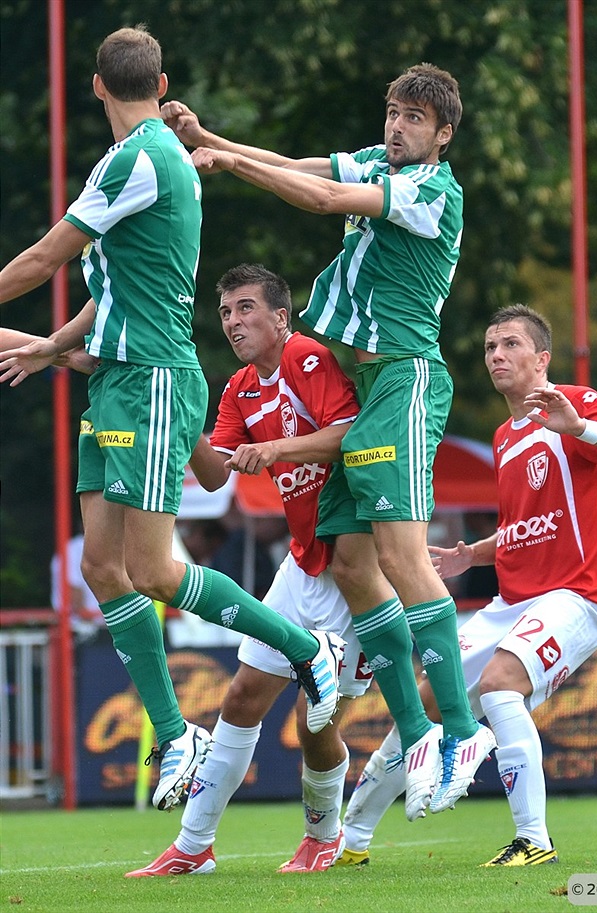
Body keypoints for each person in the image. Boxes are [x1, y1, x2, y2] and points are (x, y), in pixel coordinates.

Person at [0, 26, 342, 813]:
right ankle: (175, 731)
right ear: (160, 83)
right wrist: (53, 346)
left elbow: (48, 257)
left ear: (95, 87)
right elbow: (117, 282)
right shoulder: (145, 163)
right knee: (100, 567)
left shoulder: (139, 159)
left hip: (152, 382)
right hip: (117, 382)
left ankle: (304, 648)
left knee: (154, 569)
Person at [161, 62, 495, 821]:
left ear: (443, 135)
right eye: (392, 111)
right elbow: (312, 167)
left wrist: (230, 161)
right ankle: (416, 733)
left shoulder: (431, 188)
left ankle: (460, 732)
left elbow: (322, 197)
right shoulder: (381, 161)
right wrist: (209, 137)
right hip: (366, 382)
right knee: (353, 560)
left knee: (402, 558)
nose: (396, 126)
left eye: (414, 118)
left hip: (403, 379)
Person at [336, 303, 597, 867]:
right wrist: (471, 554)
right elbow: (524, 526)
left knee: (502, 682)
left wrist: (580, 426)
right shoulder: (505, 435)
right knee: (432, 698)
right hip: (514, 599)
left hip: (578, 596)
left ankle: (534, 840)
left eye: (510, 344)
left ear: (542, 358)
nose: (497, 356)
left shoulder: (572, 403)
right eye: (490, 347)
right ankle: (352, 839)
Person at [125, 263, 372, 877]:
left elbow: (350, 433)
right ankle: (193, 846)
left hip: (354, 562)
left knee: (312, 727)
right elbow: (214, 474)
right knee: (239, 700)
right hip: (299, 563)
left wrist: (279, 449)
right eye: (226, 311)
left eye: (245, 308)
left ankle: (325, 834)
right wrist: (178, 418)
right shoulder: (238, 387)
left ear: (280, 316)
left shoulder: (308, 358)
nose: (233, 321)